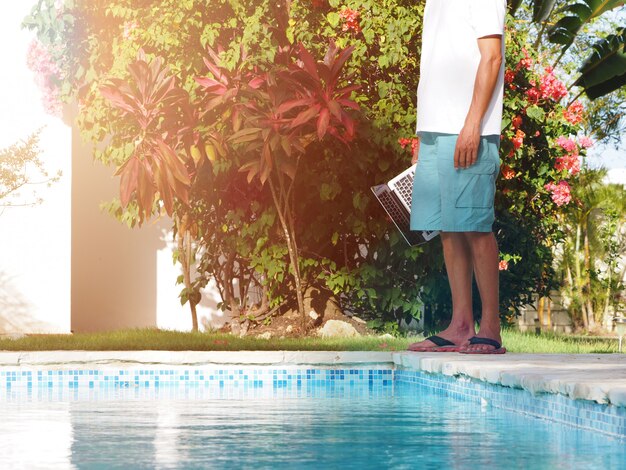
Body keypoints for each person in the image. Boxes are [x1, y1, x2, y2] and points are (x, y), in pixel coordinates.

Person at [407, 0, 507, 354]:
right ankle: (461, 325)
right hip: (436, 131)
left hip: (467, 128)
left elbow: (491, 57)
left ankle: (490, 328)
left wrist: (473, 123)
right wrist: (424, 135)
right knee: (449, 228)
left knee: (474, 226)